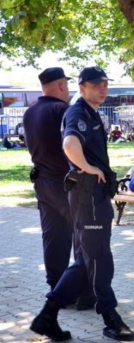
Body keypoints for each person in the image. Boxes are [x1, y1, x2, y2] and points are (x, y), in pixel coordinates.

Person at [31, 66, 134, 342]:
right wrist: (88, 168)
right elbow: (69, 145)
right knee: (99, 257)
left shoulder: (91, 113)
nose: (102, 88)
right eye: (95, 84)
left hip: (94, 196)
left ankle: (47, 316)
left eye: (104, 84)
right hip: (86, 195)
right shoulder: (77, 112)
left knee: (87, 259)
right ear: (81, 87)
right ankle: (110, 318)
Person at [23, 67, 94, 310]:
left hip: (42, 183)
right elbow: (73, 146)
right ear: (62, 86)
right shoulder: (63, 110)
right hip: (67, 183)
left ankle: (56, 288)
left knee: (53, 237)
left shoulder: (30, 112)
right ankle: (83, 293)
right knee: (84, 237)